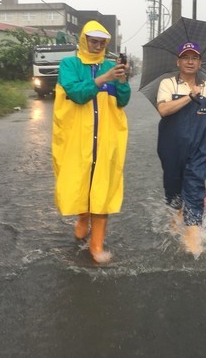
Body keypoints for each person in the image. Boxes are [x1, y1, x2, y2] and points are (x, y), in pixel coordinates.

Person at [52, 20, 130, 263]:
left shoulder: (110, 66)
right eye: (93, 41)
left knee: (103, 188)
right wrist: (102, 78)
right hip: (77, 139)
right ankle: (82, 216)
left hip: (106, 139)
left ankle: (96, 244)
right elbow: (77, 94)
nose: (97, 46)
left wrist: (122, 81)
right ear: (84, 40)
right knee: (79, 182)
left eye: (101, 42)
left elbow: (123, 101)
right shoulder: (69, 64)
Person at [156, 41, 206, 257]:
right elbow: (163, 109)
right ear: (178, 61)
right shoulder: (168, 84)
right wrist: (189, 96)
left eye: (194, 58)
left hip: (199, 147)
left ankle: (193, 237)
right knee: (174, 191)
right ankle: (176, 220)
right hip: (171, 147)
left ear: (200, 62)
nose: (190, 61)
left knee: (193, 188)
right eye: (186, 57)